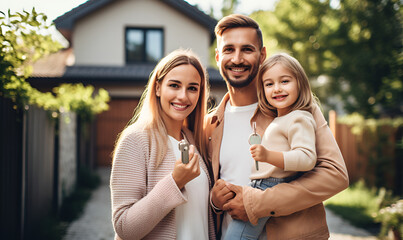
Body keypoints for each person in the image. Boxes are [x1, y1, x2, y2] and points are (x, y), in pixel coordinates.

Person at [205, 14, 349, 240]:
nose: (237, 58)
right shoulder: (208, 125)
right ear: (217, 56)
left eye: (247, 49)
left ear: (262, 55)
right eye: (229, 49)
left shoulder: (297, 110)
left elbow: (335, 175)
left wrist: (259, 203)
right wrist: (214, 202)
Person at [110, 49, 216, 240]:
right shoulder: (136, 139)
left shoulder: (193, 140)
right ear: (158, 88)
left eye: (192, 88)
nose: (183, 96)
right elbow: (124, 227)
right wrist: (175, 182)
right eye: (174, 85)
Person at [224, 53, 319, 240]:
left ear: (300, 83)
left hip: (270, 186)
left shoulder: (299, 118)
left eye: (284, 81)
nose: (277, 89)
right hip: (261, 186)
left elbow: (307, 158)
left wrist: (268, 156)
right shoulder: (281, 118)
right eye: (269, 84)